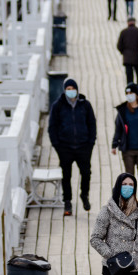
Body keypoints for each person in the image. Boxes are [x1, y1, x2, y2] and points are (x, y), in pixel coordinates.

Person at [47, 78, 97, 215]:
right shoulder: (58, 106)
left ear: (77, 90)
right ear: (64, 91)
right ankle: (67, 202)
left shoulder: (85, 105)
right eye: (68, 89)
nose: (71, 91)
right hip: (65, 147)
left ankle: (84, 195)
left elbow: (92, 123)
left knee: (86, 173)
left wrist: (91, 142)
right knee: (66, 175)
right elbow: (52, 127)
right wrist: (57, 145)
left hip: (83, 146)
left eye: (72, 89)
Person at [117, 17, 138, 93]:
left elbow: (119, 45)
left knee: (129, 77)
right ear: (134, 22)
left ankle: (130, 91)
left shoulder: (123, 32)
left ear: (128, 23)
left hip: (127, 59)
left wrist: (124, 53)